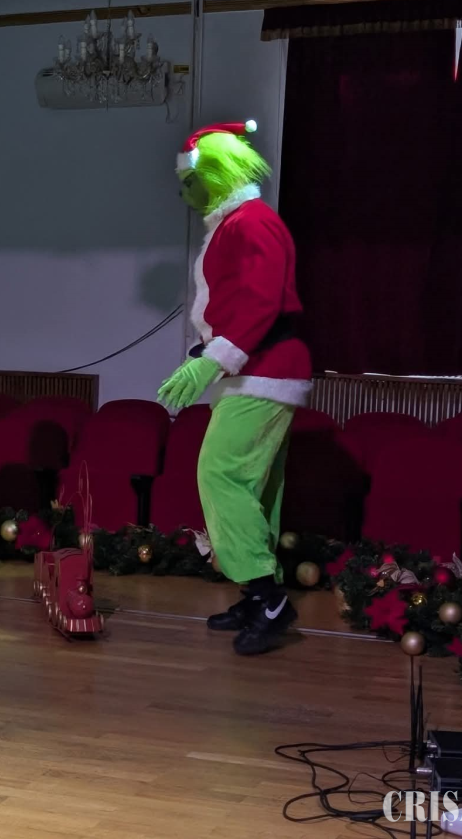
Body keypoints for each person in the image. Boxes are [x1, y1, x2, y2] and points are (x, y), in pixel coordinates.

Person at [157, 121, 313, 656]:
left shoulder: (252, 223)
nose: (184, 192)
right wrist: (206, 356)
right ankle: (256, 594)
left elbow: (260, 302)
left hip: (267, 368)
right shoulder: (235, 224)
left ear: (218, 173)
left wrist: (213, 360)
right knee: (254, 486)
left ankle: (269, 600)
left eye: (190, 181)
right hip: (256, 368)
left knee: (221, 472)